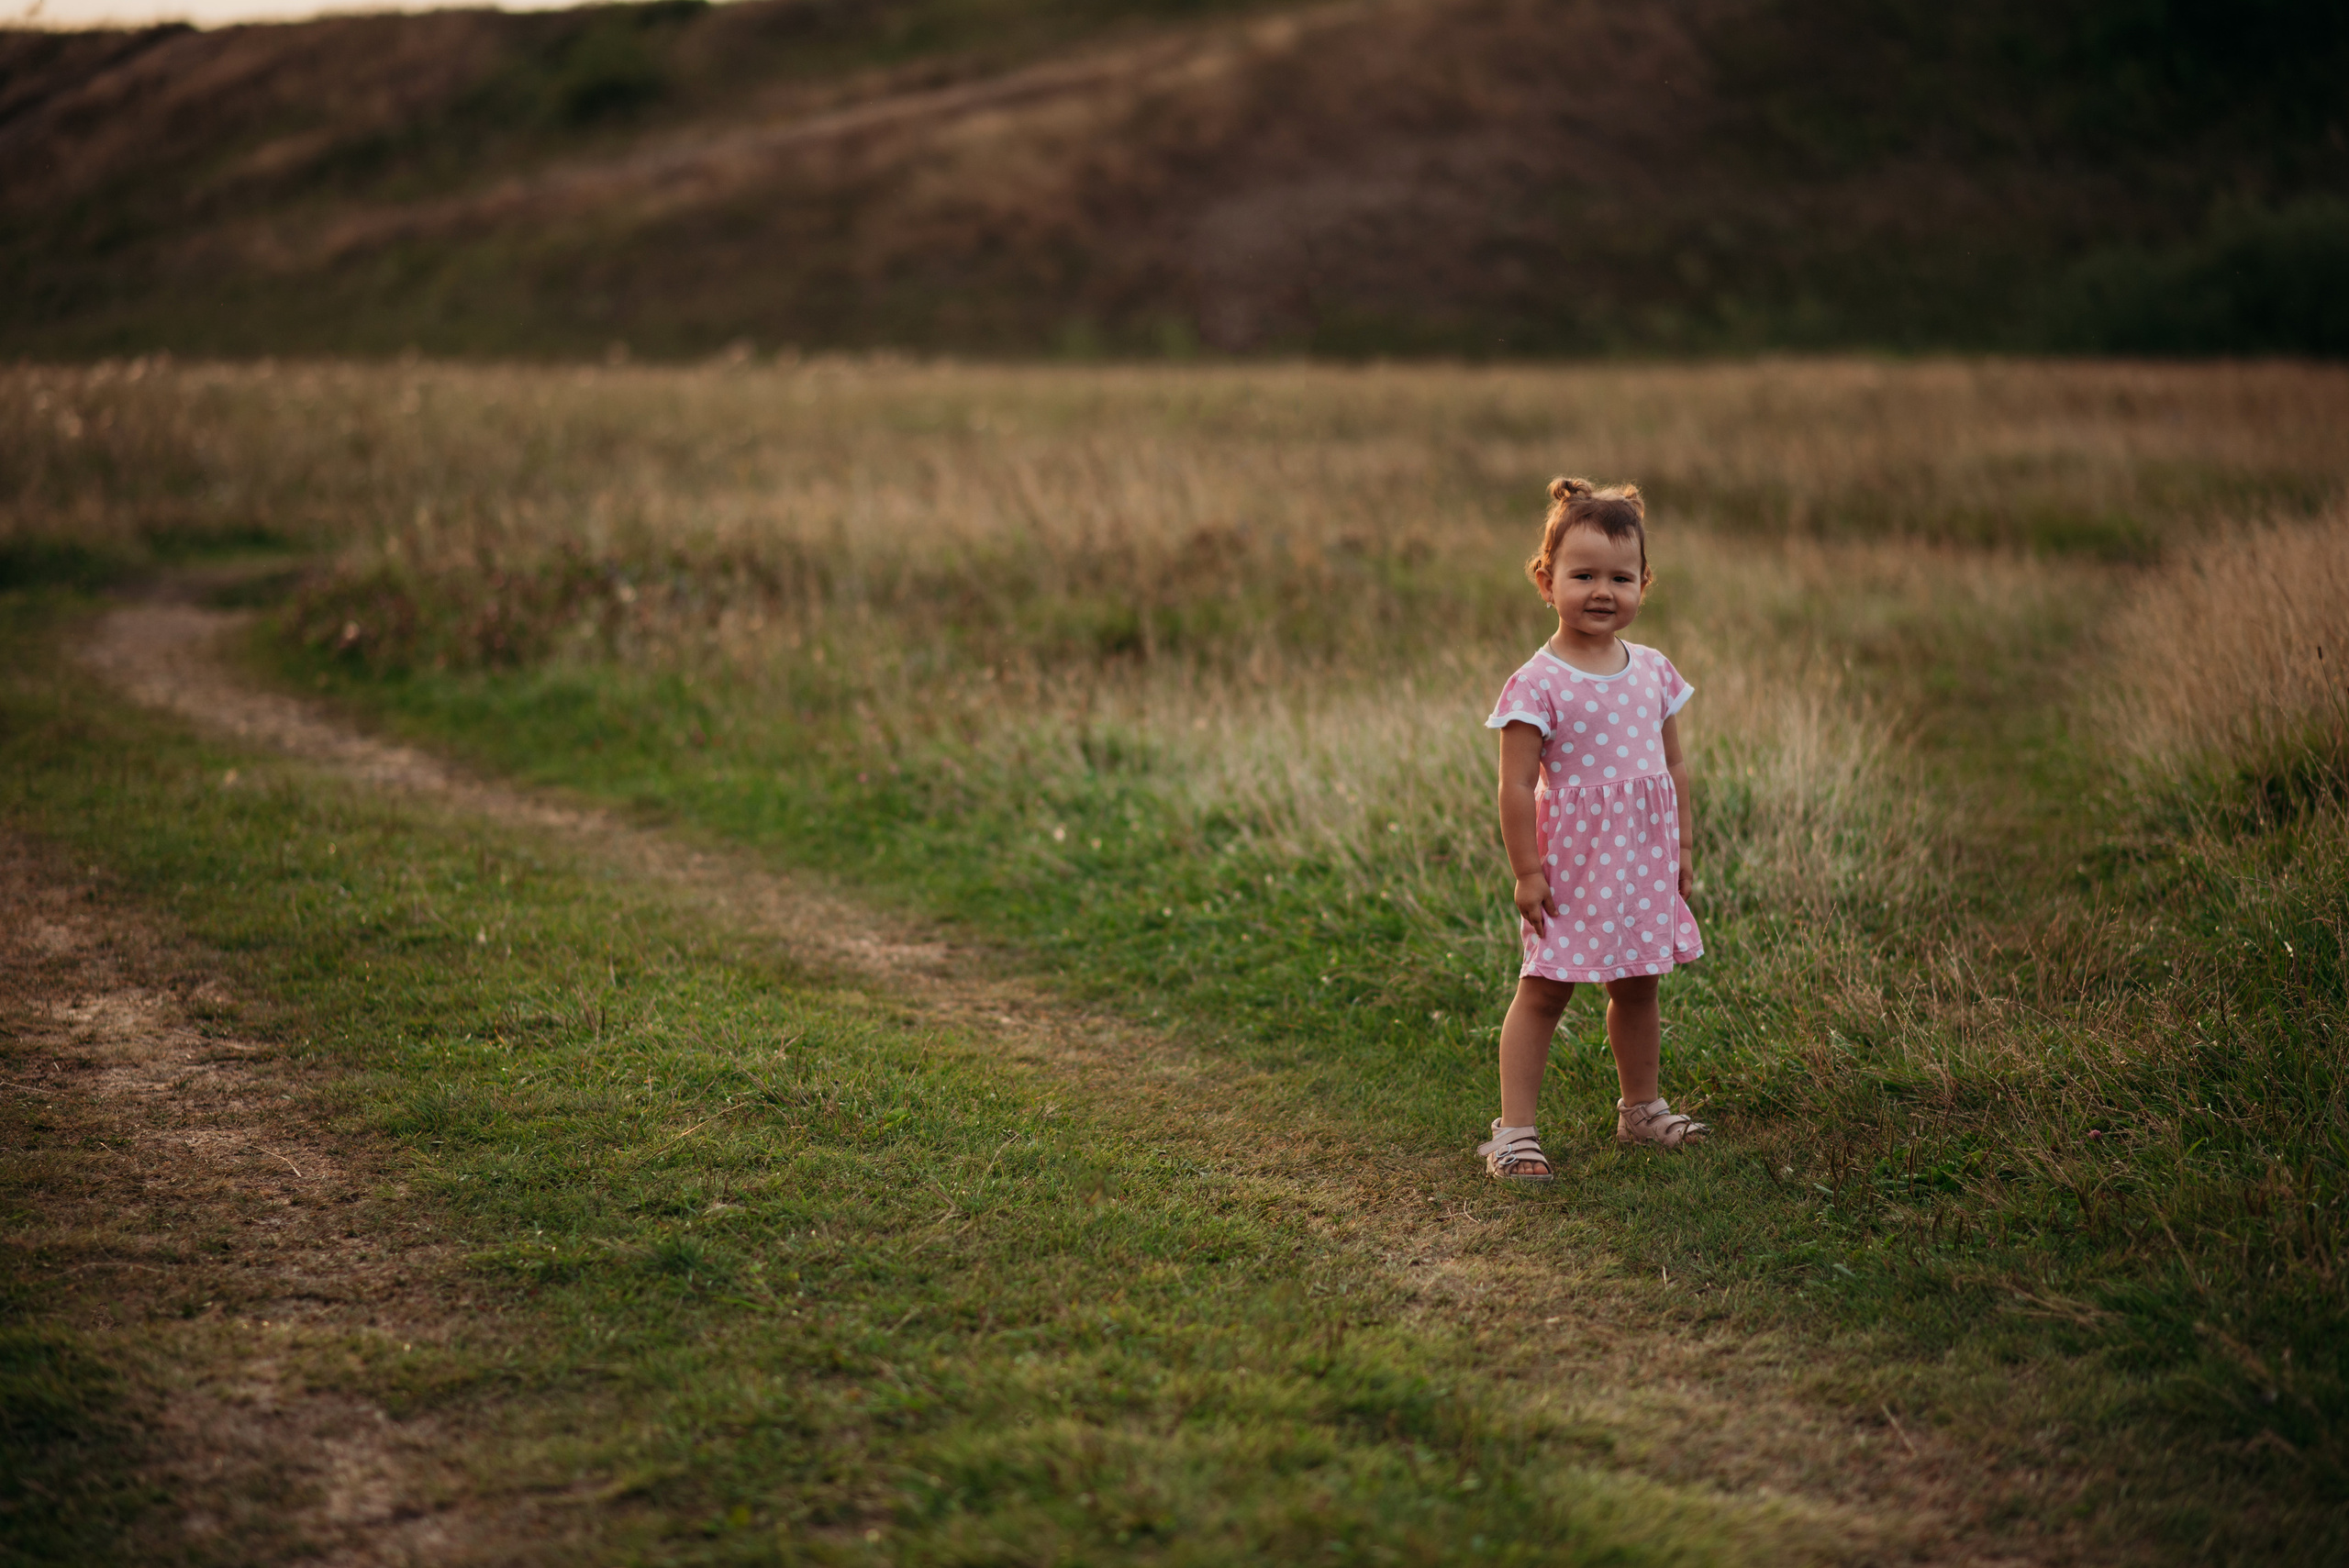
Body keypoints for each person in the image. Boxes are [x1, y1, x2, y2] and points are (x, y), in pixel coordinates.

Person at [1477, 477, 1709, 1184]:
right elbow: (1516, 784)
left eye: (1621, 576)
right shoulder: (1537, 683)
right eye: (1583, 575)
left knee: (1638, 985)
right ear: (1546, 582)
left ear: (1644, 582)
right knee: (1545, 988)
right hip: (1570, 867)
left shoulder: (1655, 672)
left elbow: (1673, 763)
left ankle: (1640, 1107)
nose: (1603, 590)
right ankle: (1513, 1132)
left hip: (1641, 862)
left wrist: (1683, 850)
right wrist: (1526, 870)